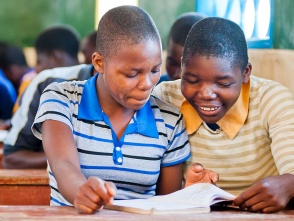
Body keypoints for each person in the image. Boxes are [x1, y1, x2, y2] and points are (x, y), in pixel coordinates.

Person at [30, 6, 197, 214]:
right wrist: (81, 191)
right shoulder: (62, 99)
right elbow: (64, 165)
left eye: (155, 70)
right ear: (99, 62)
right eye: (131, 74)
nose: (147, 84)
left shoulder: (169, 120)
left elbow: (164, 206)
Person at [153, 17, 294, 213]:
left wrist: (290, 186)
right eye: (192, 80)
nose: (206, 94)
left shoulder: (271, 99)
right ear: (182, 67)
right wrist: (186, 191)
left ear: (245, 72)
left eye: (223, 84)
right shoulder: (164, 98)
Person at [12, 25, 81, 113]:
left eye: (39, 62)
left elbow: (21, 124)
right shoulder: (93, 85)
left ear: (55, 57)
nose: (36, 69)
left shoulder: (42, 85)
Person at [158, 12, 205, 84]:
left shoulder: (211, 94)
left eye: (189, 67)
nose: (178, 75)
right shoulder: (157, 88)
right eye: (172, 64)